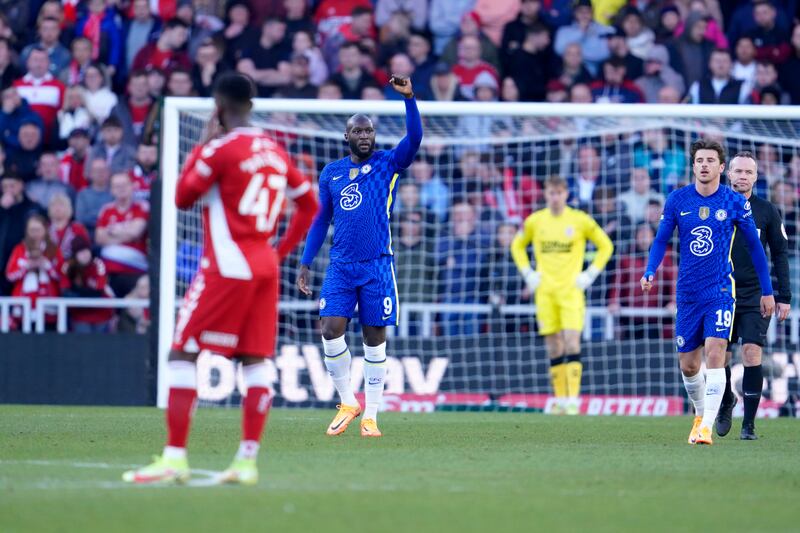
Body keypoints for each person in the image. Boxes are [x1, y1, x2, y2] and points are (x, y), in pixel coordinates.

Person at [123, 73, 317, 485]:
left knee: (181, 354)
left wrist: (200, 146)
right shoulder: (276, 151)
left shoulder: (221, 150)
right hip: (264, 267)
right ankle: (246, 461)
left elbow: (181, 198)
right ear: (251, 104)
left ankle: (175, 458)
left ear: (219, 106)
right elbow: (310, 205)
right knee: (255, 360)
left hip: (228, 266)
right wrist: (279, 253)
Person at [297, 75, 422, 438]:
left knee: (373, 338)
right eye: (358, 131)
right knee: (330, 329)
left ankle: (372, 416)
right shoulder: (331, 173)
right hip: (340, 265)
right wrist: (305, 262)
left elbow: (414, 138)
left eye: (369, 131)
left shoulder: (388, 163)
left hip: (378, 265)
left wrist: (409, 98)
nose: (365, 136)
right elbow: (321, 219)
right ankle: (347, 401)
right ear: (347, 136)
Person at [641, 139, 775, 445]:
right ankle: (701, 415)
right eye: (699, 160)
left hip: (720, 290)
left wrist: (767, 291)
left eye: (710, 160)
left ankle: (706, 428)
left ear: (721, 167)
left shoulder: (734, 202)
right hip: (687, 294)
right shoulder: (677, 200)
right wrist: (650, 269)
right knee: (689, 364)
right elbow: (661, 239)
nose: (704, 165)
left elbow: (756, 249)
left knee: (717, 352)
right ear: (693, 165)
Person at [511, 175, 614, 415]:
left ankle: (573, 400)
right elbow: (516, 245)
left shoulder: (580, 220)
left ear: (566, 194)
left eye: (559, 193)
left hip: (571, 292)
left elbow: (606, 245)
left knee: (571, 341)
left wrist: (589, 274)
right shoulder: (535, 221)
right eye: (550, 193)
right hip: (545, 292)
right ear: (545, 195)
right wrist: (528, 273)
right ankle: (559, 399)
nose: (555, 198)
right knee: (553, 346)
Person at [715, 151, 791, 440]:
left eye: (749, 172)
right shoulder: (716, 206)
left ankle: (748, 424)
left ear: (756, 177)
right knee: (717, 354)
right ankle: (725, 400)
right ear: (728, 174)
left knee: (751, 353)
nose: (743, 176)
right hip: (720, 290)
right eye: (738, 171)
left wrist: (784, 295)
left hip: (755, 294)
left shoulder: (767, 211)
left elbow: (781, 254)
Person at [94, 172, 149, 297]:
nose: (121, 189)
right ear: (112, 190)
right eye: (117, 186)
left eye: (124, 185)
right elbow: (99, 238)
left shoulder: (141, 207)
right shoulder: (106, 210)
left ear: (132, 186)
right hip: (108, 271)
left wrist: (112, 232)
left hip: (135, 270)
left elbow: (136, 232)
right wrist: (126, 233)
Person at [5, 213, 63, 328]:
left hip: (48, 305)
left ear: (45, 230)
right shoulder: (20, 249)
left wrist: (47, 266)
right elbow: (10, 275)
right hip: (23, 306)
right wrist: (26, 267)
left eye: (38, 230)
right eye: (32, 230)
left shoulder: (53, 249)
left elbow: (62, 276)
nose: (35, 234)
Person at [60, 235, 114, 332]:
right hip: (79, 315)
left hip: (101, 313)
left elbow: (99, 291)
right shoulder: (67, 266)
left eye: (86, 250)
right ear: (74, 255)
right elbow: (66, 291)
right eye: (80, 252)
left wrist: (77, 291)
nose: (85, 254)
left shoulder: (98, 264)